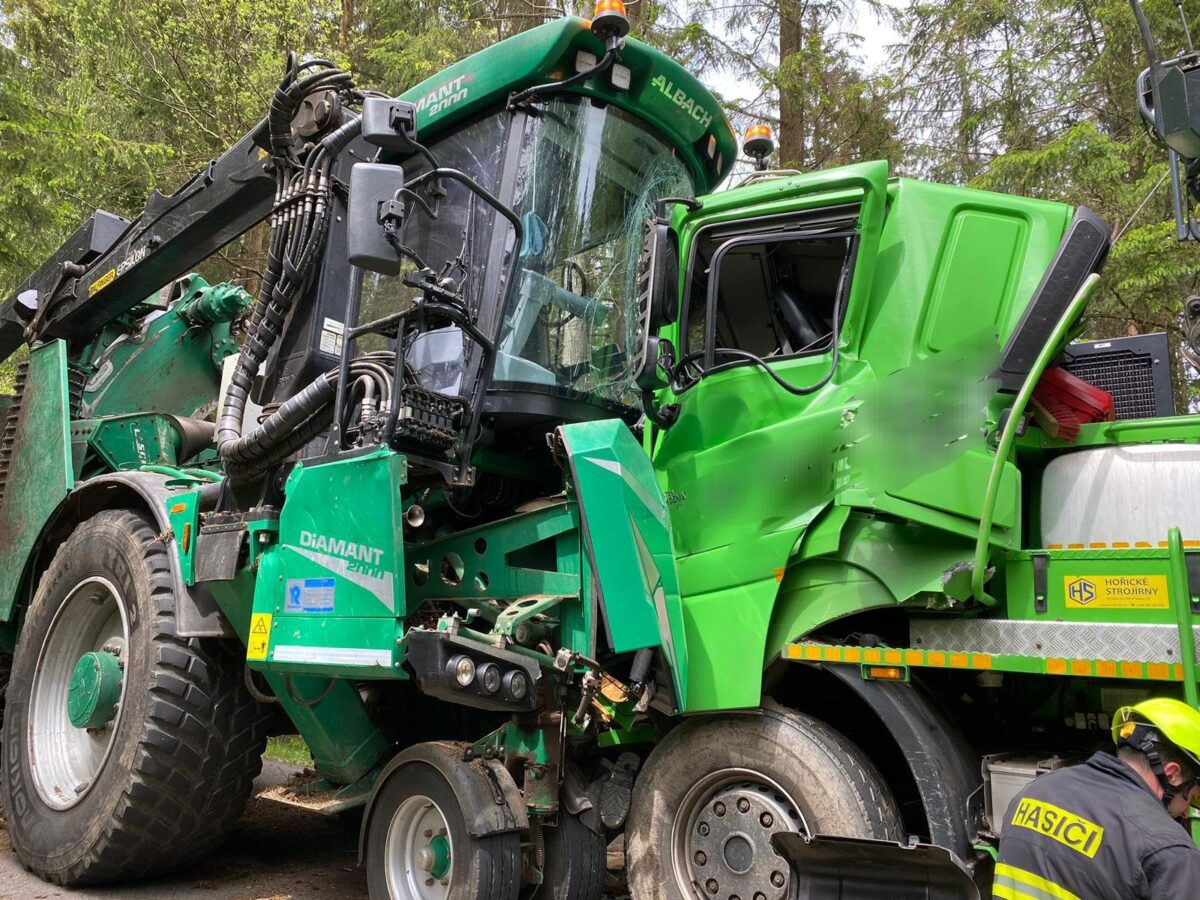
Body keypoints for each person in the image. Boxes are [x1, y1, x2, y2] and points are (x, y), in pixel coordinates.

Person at [994, 697, 1200, 899]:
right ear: (1172, 773)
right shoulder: (1169, 850)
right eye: (1192, 798)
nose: (1185, 811)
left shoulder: (1031, 793)